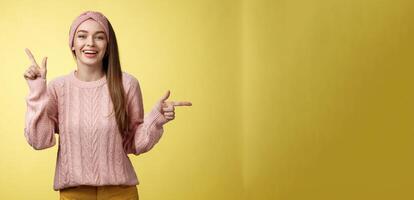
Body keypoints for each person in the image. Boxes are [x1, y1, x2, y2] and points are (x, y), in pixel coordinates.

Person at [23, 10, 192, 200]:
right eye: (82, 36)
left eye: (99, 37)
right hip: (74, 194)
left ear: (108, 45)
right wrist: (37, 92)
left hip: (120, 193)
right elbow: (39, 141)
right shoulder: (58, 88)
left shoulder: (127, 84)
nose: (90, 43)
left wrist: (156, 120)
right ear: (72, 43)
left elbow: (133, 144)